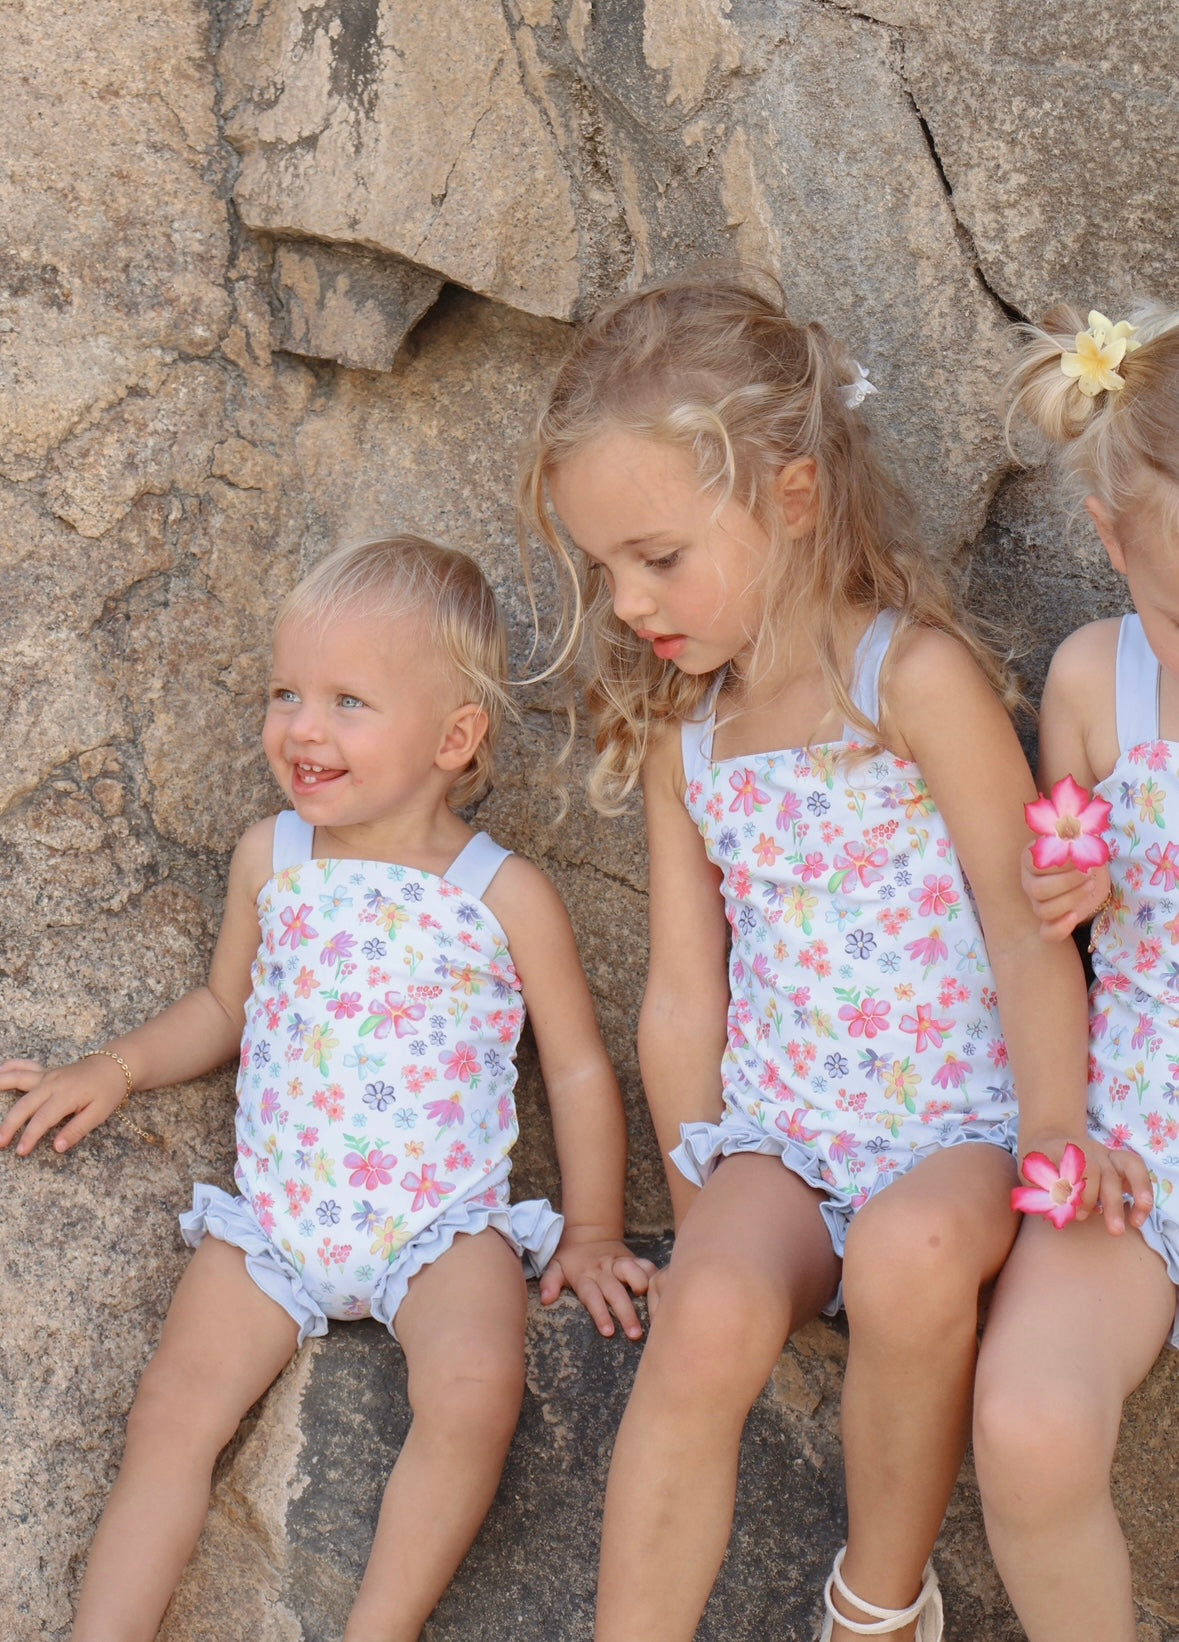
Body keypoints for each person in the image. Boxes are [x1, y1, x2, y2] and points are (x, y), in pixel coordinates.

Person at [518, 271, 1151, 1642]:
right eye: (604, 569)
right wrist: (699, 1181)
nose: (626, 601)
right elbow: (682, 991)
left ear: (793, 496)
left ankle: (877, 1603)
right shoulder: (688, 737)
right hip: (784, 1133)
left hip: (958, 1129)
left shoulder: (910, 681)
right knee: (704, 1308)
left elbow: (1020, 920)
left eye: (657, 557)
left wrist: (1054, 1127)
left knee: (912, 1254)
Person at [0, 535, 654, 1642]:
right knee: (171, 1412)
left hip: (441, 1226)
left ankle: (378, 1627)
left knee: (473, 1394)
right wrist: (113, 1068)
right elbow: (224, 1007)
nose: (303, 728)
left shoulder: (502, 891)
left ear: (455, 738)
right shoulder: (275, 857)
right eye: (286, 693)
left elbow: (578, 1065)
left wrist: (591, 1232)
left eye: (349, 702)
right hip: (277, 1216)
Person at [972, 305, 1179, 1642]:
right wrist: (1076, 882)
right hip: (1138, 1145)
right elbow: (1060, 878)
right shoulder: (1097, 681)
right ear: (1112, 543)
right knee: (1028, 1421)